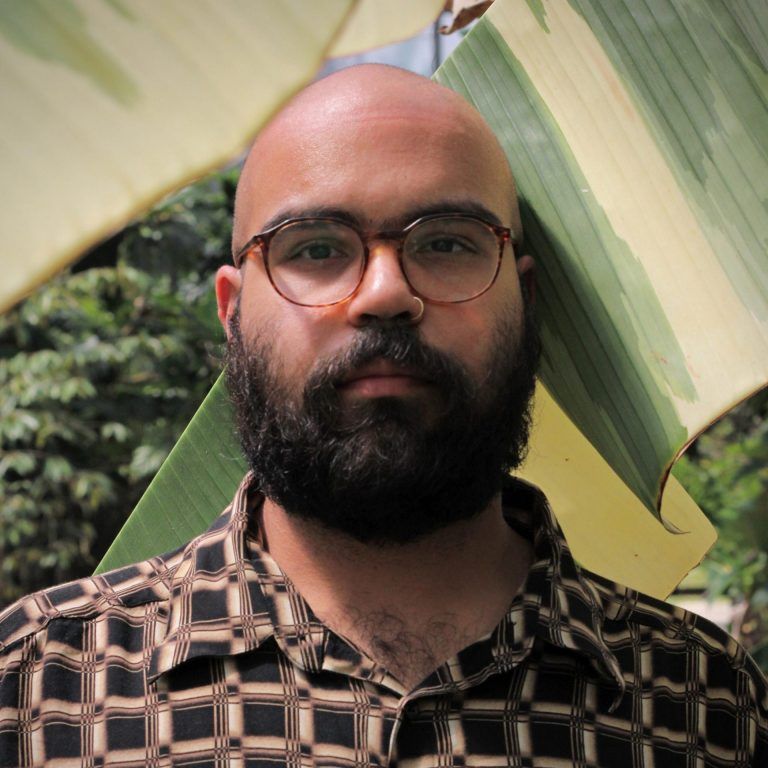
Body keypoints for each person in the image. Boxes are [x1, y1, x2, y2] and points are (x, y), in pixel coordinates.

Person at [0, 64, 765, 767]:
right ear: (232, 314)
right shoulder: (39, 688)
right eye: (315, 248)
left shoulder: (704, 704)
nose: (386, 293)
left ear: (526, 302)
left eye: (447, 243)